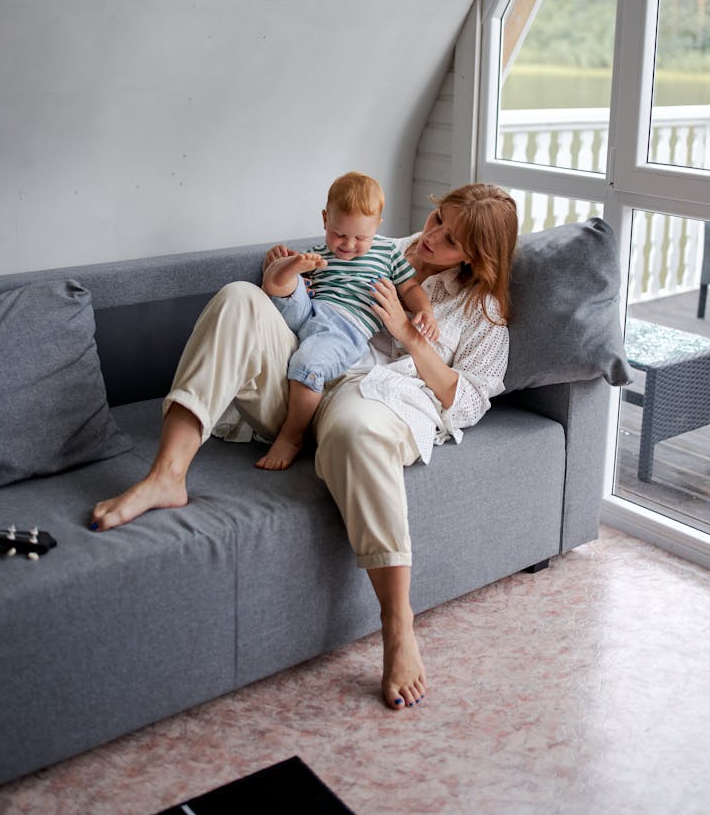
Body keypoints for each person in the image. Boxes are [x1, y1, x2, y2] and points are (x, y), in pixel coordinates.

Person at [90, 183, 518, 711]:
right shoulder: (379, 244)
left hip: (374, 396)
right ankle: (167, 475)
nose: (430, 238)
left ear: (477, 257)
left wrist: (409, 335)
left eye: (450, 240)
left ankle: (397, 622)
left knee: (357, 430)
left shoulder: (483, 313)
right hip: (302, 379)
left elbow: (467, 400)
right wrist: (282, 276)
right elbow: (304, 309)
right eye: (436, 221)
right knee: (238, 297)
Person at [257, 170, 438, 470]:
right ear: (326, 218)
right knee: (288, 290)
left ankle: (291, 436)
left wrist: (425, 310)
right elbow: (306, 294)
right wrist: (297, 270)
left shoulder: (388, 253)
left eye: (360, 237)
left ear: (377, 227)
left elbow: (410, 287)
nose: (348, 245)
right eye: (339, 234)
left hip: (346, 328)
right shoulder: (318, 252)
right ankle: (280, 271)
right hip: (311, 312)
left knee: (307, 365)